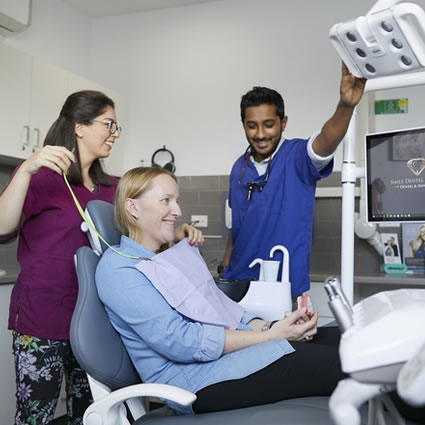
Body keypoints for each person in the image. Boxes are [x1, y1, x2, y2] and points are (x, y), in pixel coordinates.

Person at [0, 91, 203, 425]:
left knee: (93, 415)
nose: (114, 133)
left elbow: (142, 233)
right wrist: (25, 170)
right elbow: (3, 226)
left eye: (116, 126)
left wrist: (176, 233)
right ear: (79, 126)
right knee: (35, 416)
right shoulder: (41, 178)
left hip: (98, 322)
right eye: (108, 124)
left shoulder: (114, 188)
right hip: (42, 318)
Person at [96, 166, 345, 415]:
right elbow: (179, 341)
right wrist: (270, 337)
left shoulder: (167, 257)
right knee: (350, 363)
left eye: (176, 201)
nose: (178, 211)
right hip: (195, 382)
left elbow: (219, 309)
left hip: (225, 359)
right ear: (133, 207)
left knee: (343, 338)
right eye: (166, 201)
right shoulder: (118, 268)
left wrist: (275, 327)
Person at [219, 63, 366, 297]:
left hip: (284, 288)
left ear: (283, 122)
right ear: (243, 125)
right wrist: (224, 271)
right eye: (252, 126)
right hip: (239, 285)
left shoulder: (297, 157)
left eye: (268, 124)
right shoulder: (240, 167)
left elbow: (325, 142)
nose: (260, 134)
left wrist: (345, 106)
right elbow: (235, 228)